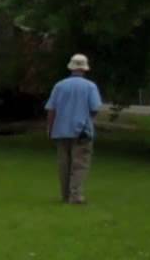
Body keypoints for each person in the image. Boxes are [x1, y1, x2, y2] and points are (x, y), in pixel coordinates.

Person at [45, 53, 103, 205]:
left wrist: (50, 129)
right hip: (82, 131)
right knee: (80, 164)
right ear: (85, 69)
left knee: (64, 164)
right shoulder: (90, 86)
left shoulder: (59, 85)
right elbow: (95, 108)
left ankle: (65, 194)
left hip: (61, 130)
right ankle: (75, 195)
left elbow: (51, 109)